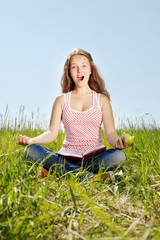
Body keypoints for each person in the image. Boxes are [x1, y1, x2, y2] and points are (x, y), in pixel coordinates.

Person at [16, 48, 134, 181]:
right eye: (74, 67)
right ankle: (90, 177)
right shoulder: (61, 100)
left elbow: (111, 133)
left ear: (91, 70)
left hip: (94, 158)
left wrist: (118, 142)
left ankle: (60, 174)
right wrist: (32, 141)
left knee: (118, 156)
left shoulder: (102, 100)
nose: (79, 71)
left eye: (84, 66)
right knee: (31, 150)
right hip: (65, 158)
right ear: (69, 72)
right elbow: (52, 133)